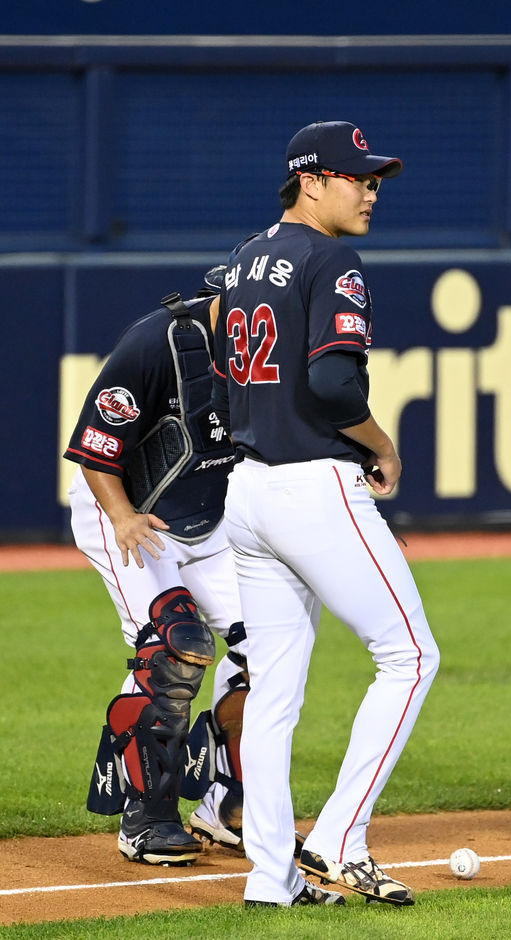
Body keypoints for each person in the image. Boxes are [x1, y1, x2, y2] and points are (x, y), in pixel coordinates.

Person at [211, 120, 440, 908]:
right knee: (410, 656)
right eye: (356, 178)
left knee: (274, 694)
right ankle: (340, 836)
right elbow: (336, 388)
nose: (370, 191)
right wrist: (384, 445)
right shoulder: (331, 257)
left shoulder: (244, 256)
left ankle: (270, 879)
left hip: (246, 492)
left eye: (374, 179)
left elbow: (221, 363)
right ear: (312, 181)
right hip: (313, 484)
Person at [65, 269, 250, 866]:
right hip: (124, 503)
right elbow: (95, 445)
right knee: (175, 641)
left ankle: (226, 805)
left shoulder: (281, 347)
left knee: (270, 648)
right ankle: (144, 817)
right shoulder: (158, 342)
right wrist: (122, 518)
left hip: (210, 511)